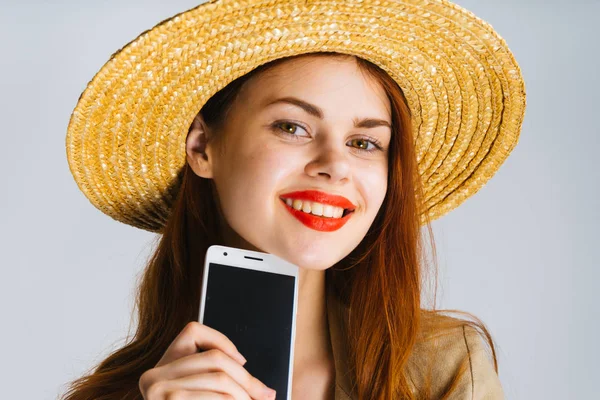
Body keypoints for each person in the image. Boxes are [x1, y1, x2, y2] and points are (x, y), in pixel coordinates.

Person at [60, 0, 526, 399]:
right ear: (203, 147)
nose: (335, 164)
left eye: (364, 143)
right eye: (292, 127)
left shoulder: (444, 369)